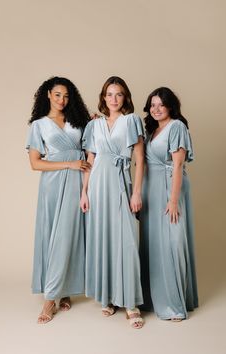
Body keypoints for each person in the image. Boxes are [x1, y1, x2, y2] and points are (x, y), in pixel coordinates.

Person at [80, 76, 144, 329]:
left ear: (125, 97)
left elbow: (140, 159)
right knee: (103, 239)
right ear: (103, 97)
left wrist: (136, 192)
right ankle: (108, 296)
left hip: (120, 184)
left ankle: (130, 303)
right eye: (109, 94)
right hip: (97, 186)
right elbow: (90, 160)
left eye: (118, 94)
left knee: (126, 242)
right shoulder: (94, 125)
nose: (113, 99)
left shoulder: (132, 121)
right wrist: (84, 192)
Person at [26, 76, 91, 324]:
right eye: (57, 95)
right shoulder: (39, 125)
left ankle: (62, 291)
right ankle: (51, 298)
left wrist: (95, 123)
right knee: (54, 236)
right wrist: (69, 163)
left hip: (78, 184)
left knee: (71, 236)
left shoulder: (79, 121)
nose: (62, 100)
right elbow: (35, 163)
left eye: (66, 96)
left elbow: (89, 149)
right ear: (47, 95)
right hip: (53, 185)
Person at [139, 87, 198, 321]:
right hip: (149, 188)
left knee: (172, 243)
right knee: (152, 243)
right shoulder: (151, 130)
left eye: (160, 105)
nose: (156, 109)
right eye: (152, 105)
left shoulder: (177, 127)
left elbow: (177, 166)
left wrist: (173, 201)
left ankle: (174, 304)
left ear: (170, 106)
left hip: (170, 187)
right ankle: (152, 298)